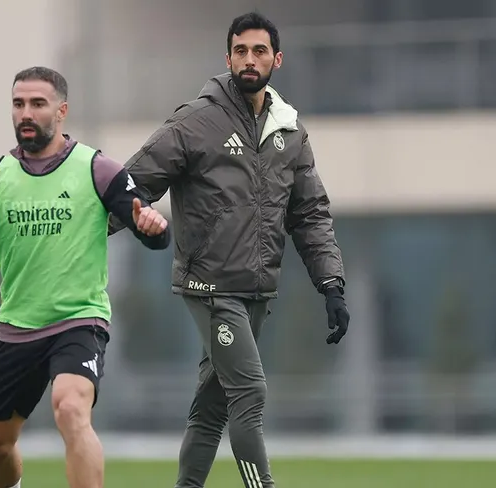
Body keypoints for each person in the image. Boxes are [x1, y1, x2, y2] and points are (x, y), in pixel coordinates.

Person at [111, 11, 351, 488]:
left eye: (259, 51)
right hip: (210, 286)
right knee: (250, 392)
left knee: (211, 409)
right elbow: (131, 187)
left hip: (257, 291)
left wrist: (331, 285)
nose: (249, 60)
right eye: (240, 51)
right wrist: (81, 236)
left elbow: (310, 215)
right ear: (228, 58)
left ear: (277, 60)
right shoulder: (195, 121)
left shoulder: (289, 130)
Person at [0, 66, 171, 488]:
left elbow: (152, 232)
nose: (25, 113)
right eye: (18, 104)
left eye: (37, 104)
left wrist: (152, 228)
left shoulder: (97, 169)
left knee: (71, 409)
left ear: (61, 111)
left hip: (79, 321)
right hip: (17, 329)